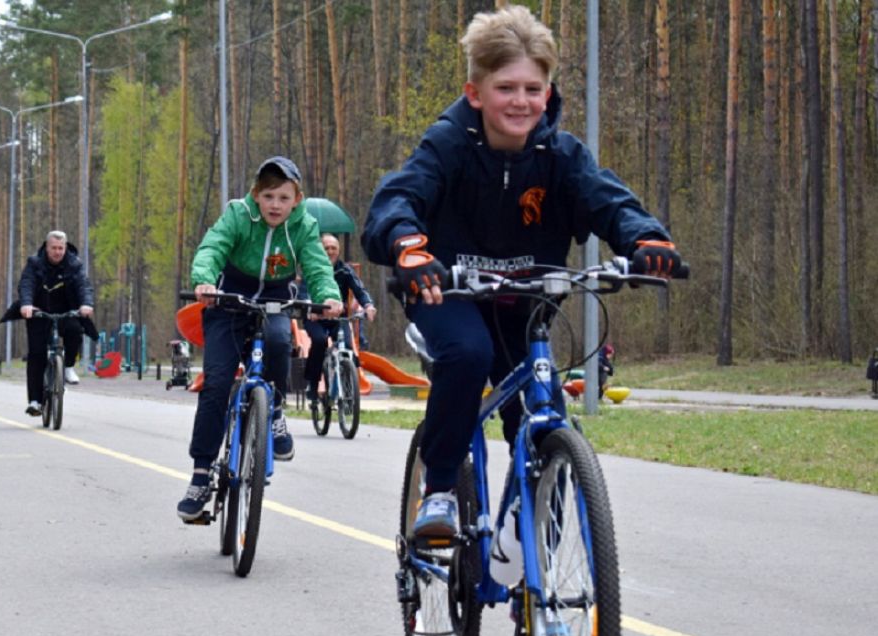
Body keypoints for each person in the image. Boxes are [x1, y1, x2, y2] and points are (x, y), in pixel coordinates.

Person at [361, 5, 685, 538]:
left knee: (539, 409)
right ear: (476, 93)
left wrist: (645, 239)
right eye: (506, 88)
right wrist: (408, 248)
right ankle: (439, 488)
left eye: (533, 89)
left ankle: (540, 557)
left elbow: (608, 200)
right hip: (448, 294)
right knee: (469, 356)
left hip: (525, 302)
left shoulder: (560, 155)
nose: (521, 101)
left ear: (549, 91)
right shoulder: (447, 145)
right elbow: (398, 199)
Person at [177, 156, 343, 520]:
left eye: (284, 198)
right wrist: (204, 279)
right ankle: (201, 473)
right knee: (217, 383)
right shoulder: (238, 214)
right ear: (256, 195)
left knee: (281, 343)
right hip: (228, 299)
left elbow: (316, 264)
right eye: (268, 196)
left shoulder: (304, 226)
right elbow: (213, 247)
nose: (275, 205)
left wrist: (327, 295)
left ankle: (276, 409)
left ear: (297, 198)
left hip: (275, 299)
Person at [18, 230, 95, 416]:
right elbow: (26, 284)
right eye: (54, 248)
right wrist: (27, 304)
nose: (57, 252)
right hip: (39, 313)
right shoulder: (34, 263)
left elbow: (83, 285)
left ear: (66, 248)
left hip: (65, 312)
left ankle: (67, 366)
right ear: (47, 247)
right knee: (37, 355)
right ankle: (35, 401)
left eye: (61, 248)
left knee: (75, 330)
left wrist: (86, 304)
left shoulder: (74, 264)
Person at [302, 232, 377, 401]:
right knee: (320, 342)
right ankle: (313, 384)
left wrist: (368, 305)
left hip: (338, 318)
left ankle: (347, 381)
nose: (330, 251)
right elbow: (303, 293)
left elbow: (359, 289)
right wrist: (310, 309)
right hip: (316, 318)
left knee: (349, 347)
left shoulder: (345, 270)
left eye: (333, 248)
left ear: (339, 250)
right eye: (326, 248)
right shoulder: (311, 268)